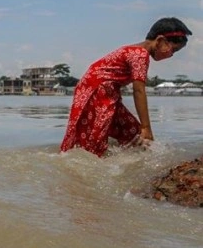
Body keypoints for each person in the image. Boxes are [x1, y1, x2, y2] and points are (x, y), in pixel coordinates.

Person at [60, 17, 192, 157]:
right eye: (173, 50)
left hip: (105, 91)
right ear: (160, 41)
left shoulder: (135, 51)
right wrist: (146, 127)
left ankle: (126, 162)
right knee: (93, 140)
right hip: (98, 91)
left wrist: (143, 129)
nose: (171, 55)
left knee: (132, 133)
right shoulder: (140, 55)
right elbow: (139, 90)